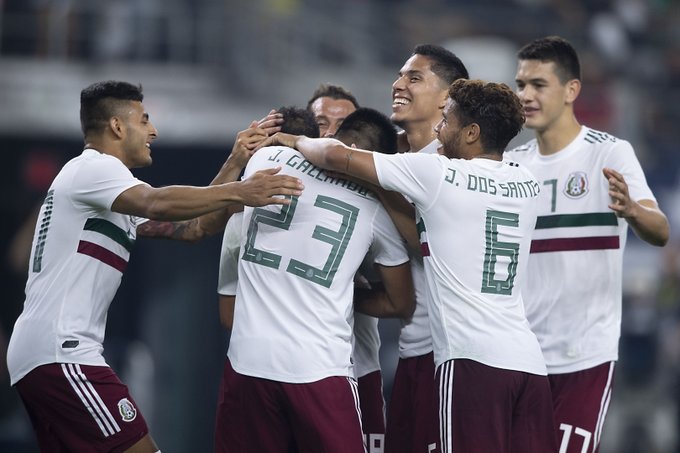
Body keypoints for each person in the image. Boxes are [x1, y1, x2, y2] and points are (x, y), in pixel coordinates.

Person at [5, 80, 304, 453]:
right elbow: (156, 202)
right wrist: (241, 191)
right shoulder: (93, 170)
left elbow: (194, 229)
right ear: (117, 126)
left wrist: (235, 162)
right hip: (62, 352)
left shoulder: (105, 193)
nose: (153, 131)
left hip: (44, 353)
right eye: (144, 120)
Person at [267, 78, 558, 452]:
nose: (439, 129)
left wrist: (296, 141)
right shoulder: (526, 181)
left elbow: (336, 156)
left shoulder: (437, 176)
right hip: (529, 366)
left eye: (447, 120)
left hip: (472, 363)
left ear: (471, 132)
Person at [213, 107, 414, 453]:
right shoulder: (376, 210)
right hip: (319, 369)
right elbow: (400, 302)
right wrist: (344, 292)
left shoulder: (268, 158)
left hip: (248, 362)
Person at [507, 35, 670, 453]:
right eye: (521, 85)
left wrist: (633, 210)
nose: (526, 95)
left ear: (571, 90)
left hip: (583, 356)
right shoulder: (512, 166)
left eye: (538, 85)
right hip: (519, 355)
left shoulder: (609, 154)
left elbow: (660, 230)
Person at [382, 43, 469, 453]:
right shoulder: (389, 155)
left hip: (451, 353)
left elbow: (433, 247)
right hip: (412, 348)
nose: (398, 85)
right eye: (400, 75)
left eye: (414, 78)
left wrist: (376, 184)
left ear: (448, 98)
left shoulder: (459, 165)